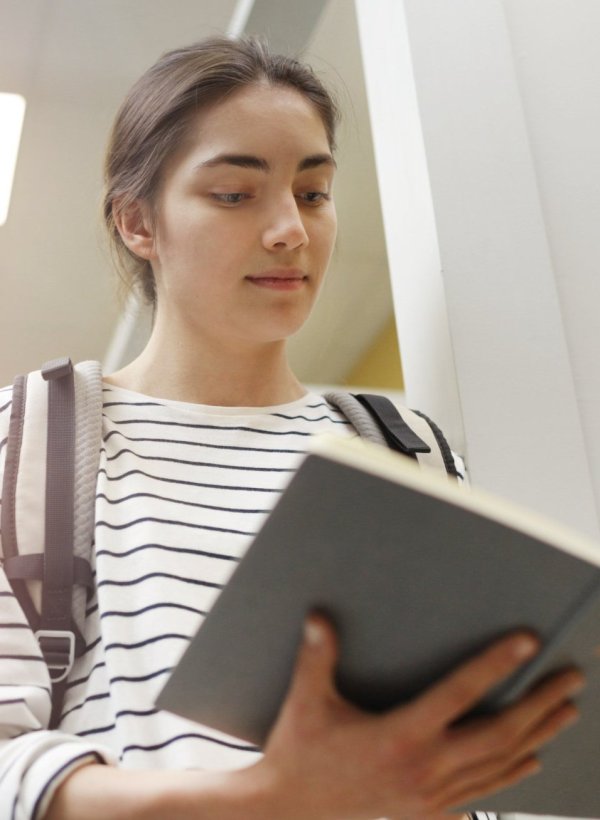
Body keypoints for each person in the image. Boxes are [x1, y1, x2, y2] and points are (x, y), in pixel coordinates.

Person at [0, 36, 583, 820]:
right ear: (138, 222)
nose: (290, 231)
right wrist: (271, 798)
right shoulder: (36, 435)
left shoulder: (400, 447)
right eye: (235, 195)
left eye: (313, 192)